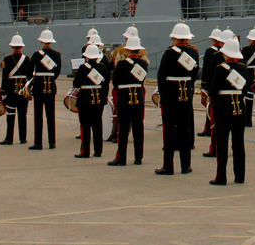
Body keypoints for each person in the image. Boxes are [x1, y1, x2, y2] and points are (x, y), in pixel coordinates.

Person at [155, 22, 199, 176]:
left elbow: (161, 75)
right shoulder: (193, 53)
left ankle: (168, 165)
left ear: (174, 37)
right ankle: (186, 165)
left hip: (170, 95)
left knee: (169, 130)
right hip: (186, 93)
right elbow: (194, 75)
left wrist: (162, 93)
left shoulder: (169, 53)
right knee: (185, 129)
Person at [208, 36, 251, 185]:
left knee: (222, 144)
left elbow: (213, 92)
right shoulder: (244, 68)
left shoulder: (220, 69)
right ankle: (240, 176)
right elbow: (245, 90)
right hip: (239, 108)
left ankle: (221, 177)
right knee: (239, 144)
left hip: (223, 109)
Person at [108, 34, 148, 166]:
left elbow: (115, 82)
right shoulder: (143, 64)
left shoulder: (121, 64)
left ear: (128, 50)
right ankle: (138, 157)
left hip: (124, 97)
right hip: (138, 96)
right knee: (138, 128)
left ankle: (121, 158)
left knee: (123, 129)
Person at [29, 29, 61, 150]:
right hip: (51, 87)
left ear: (42, 41)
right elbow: (57, 72)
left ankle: (38, 143)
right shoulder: (57, 54)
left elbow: (29, 70)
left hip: (38, 87)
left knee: (38, 116)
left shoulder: (37, 54)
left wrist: (32, 81)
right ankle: (52, 142)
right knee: (51, 115)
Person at [74, 44, 107, 158]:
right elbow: (106, 83)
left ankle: (85, 151)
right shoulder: (103, 67)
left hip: (85, 98)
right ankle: (98, 151)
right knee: (97, 125)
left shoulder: (83, 68)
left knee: (85, 125)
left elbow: (76, 83)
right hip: (99, 97)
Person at [0, 34, 32, 145]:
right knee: (22, 115)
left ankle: (9, 138)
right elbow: (30, 76)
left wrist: (3, 92)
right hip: (23, 91)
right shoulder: (27, 59)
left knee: (11, 115)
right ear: (21, 47)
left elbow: (4, 77)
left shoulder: (7, 59)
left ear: (12, 47)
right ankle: (23, 138)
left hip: (11, 91)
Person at [198, 27, 223, 139]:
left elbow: (207, 69)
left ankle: (208, 128)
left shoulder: (209, 51)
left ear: (213, 39)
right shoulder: (224, 52)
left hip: (212, 83)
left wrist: (204, 84)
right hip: (222, 83)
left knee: (210, 107)